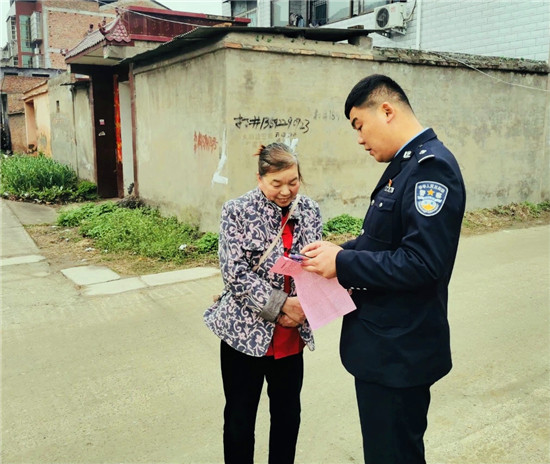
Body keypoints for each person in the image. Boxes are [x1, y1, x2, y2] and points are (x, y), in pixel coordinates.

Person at [301, 74, 466, 463]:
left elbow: (422, 263)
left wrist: (342, 262)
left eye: (359, 125)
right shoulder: (405, 165)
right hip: (384, 350)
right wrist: (337, 252)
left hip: (399, 354)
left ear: (387, 111)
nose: (359, 139)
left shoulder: (431, 169)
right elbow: (381, 241)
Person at [204, 142, 323, 464]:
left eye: (293, 182)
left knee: (287, 416)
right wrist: (283, 306)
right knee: (240, 418)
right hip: (244, 336)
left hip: (291, 335)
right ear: (260, 179)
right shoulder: (237, 211)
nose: (286, 191)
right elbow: (234, 273)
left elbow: (315, 267)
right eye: (276, 183)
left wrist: (303, 309)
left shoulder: (310, 210)